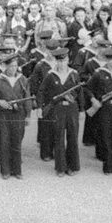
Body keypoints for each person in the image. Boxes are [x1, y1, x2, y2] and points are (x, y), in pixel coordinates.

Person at [0, 51, 31, 179]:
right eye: (10, 66)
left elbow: (27, 98)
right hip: (3, 115)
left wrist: (28, 115)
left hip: (18, 114)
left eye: (15, 66)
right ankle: (5, 170)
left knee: (17, 141)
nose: (13, 69)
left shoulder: (22, 79)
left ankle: (17, 170)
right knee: (4, 141)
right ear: (5, 66)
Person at [37, 45, 80, 177]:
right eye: (59, 61)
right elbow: (41, 91)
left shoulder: (73, 74)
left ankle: (72, 166)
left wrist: (81, 108)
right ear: (56, 61)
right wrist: (40, 107)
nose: (62, 63)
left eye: (64, 60)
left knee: (73, 137)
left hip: (72, 109)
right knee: (59, 138)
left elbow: (79, 91)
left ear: (68, 60)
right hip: (58, 109)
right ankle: (60, 167)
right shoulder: (51, 75)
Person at [87, 46, 112, 174]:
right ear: (107, 60)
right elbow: (88, 89)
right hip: (105, 108)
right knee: (106, 136)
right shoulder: (99, 73)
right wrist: (93, 100)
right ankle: (108, 167)